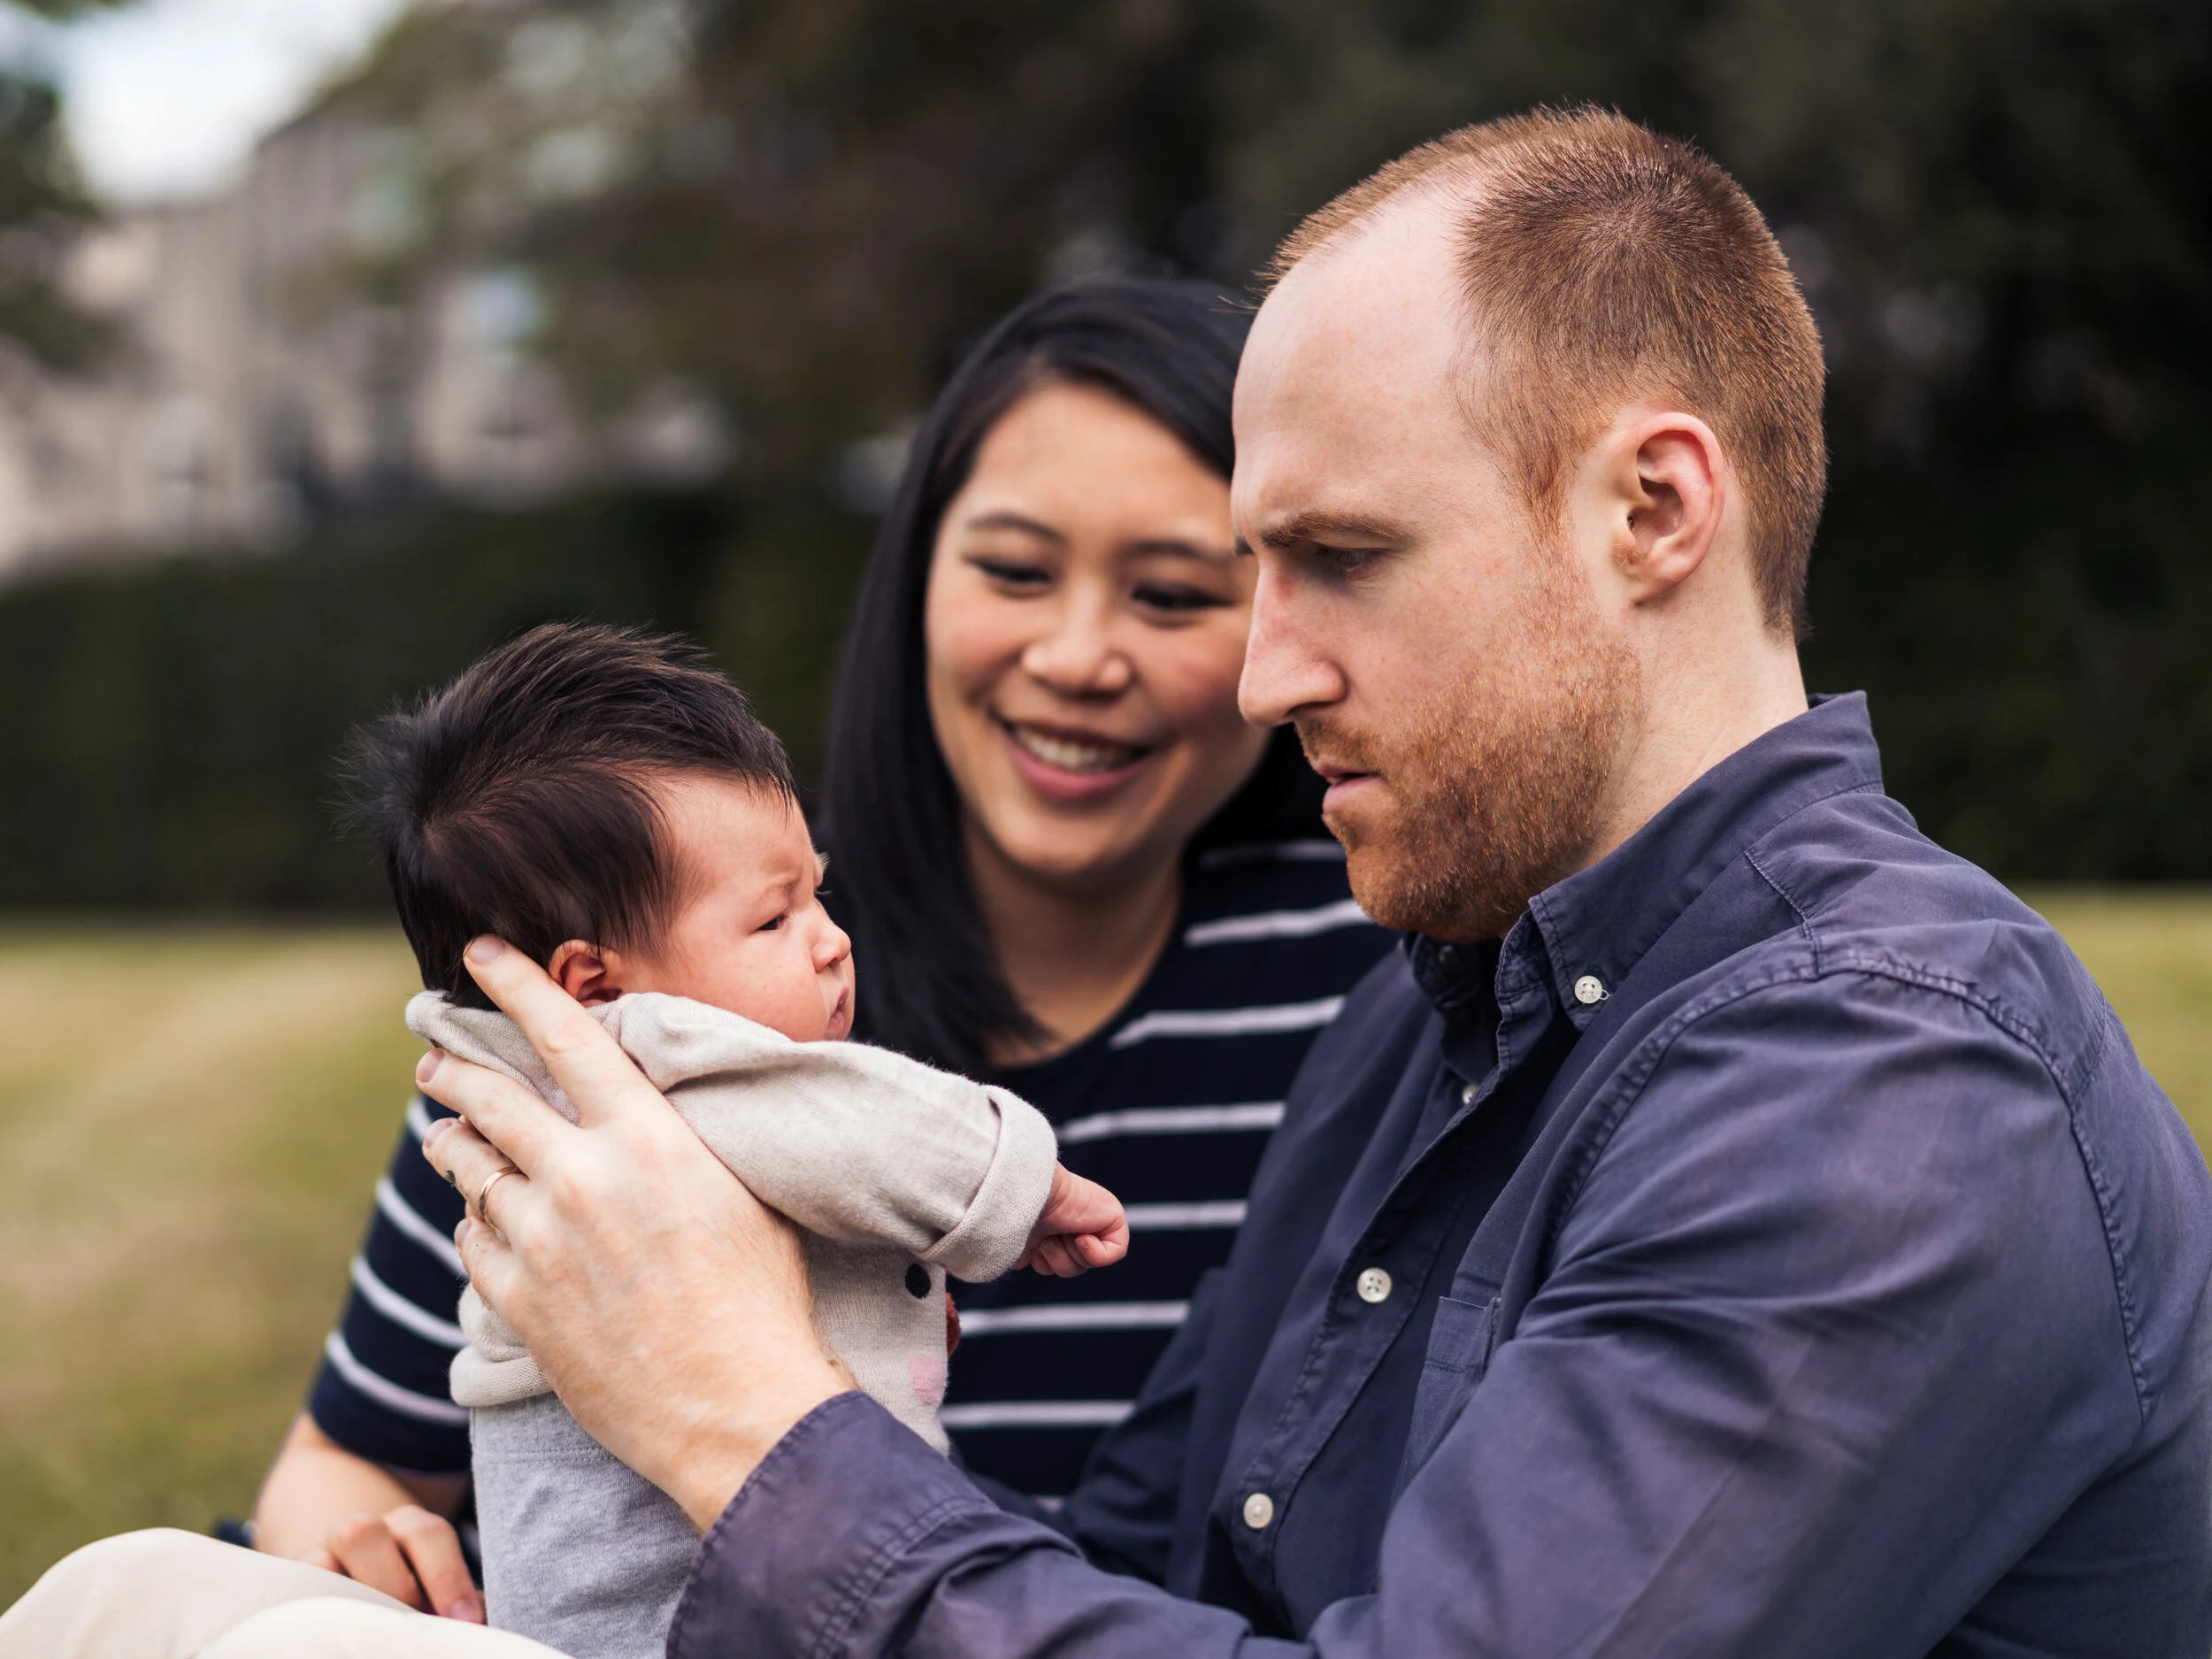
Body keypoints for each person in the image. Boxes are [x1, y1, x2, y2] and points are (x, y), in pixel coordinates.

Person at [9, 104, 2208, 1659]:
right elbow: (1141, 1553)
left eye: (1331, 558)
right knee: (132, 1597)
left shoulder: (1887, 1088)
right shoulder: (1440, 997)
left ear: (1652, 512)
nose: (1256, 669)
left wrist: (736, 1404)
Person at [245, 279, 1394, 1615]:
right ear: (913, 579)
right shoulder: (668, 950)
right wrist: (358, 1564)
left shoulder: (1373, 977)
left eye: (1176, 591)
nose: (1080, 654)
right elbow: (342, 1462)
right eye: (1014, 570)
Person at [349, 620, 1125, 1657]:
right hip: (679, 1597)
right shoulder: (663, 1071)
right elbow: (874, 1132)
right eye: (772, 921)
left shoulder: (531, 1088)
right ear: (595, 984)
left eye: (819, 893)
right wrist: (1023, 1189)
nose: (832, 939)